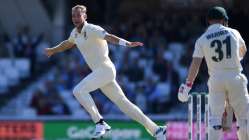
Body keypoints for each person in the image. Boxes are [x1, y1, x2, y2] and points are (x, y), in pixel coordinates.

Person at [45, 5, 166, 140]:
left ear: (85, 16)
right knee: (124, 104)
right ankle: (156, 129)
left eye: (78, 15)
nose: (75, 18)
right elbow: (68, 43)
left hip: (105, 69)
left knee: (78, 91)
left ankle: (100, 123)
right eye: (73, 16)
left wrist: (127, 43)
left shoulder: (92, 29)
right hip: (101, 73)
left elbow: (109, 37)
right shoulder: (74, 33)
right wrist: (53, 50)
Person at [177, 6, 249, 140]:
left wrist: (187, 85)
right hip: (235, 76)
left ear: (208, 21)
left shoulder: (202, 39)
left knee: (215, 119)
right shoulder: (234, 32)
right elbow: (243, 51)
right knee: (244, 118)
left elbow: (195, 64)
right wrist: (232, 60)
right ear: (223, 20)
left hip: (216, 80)